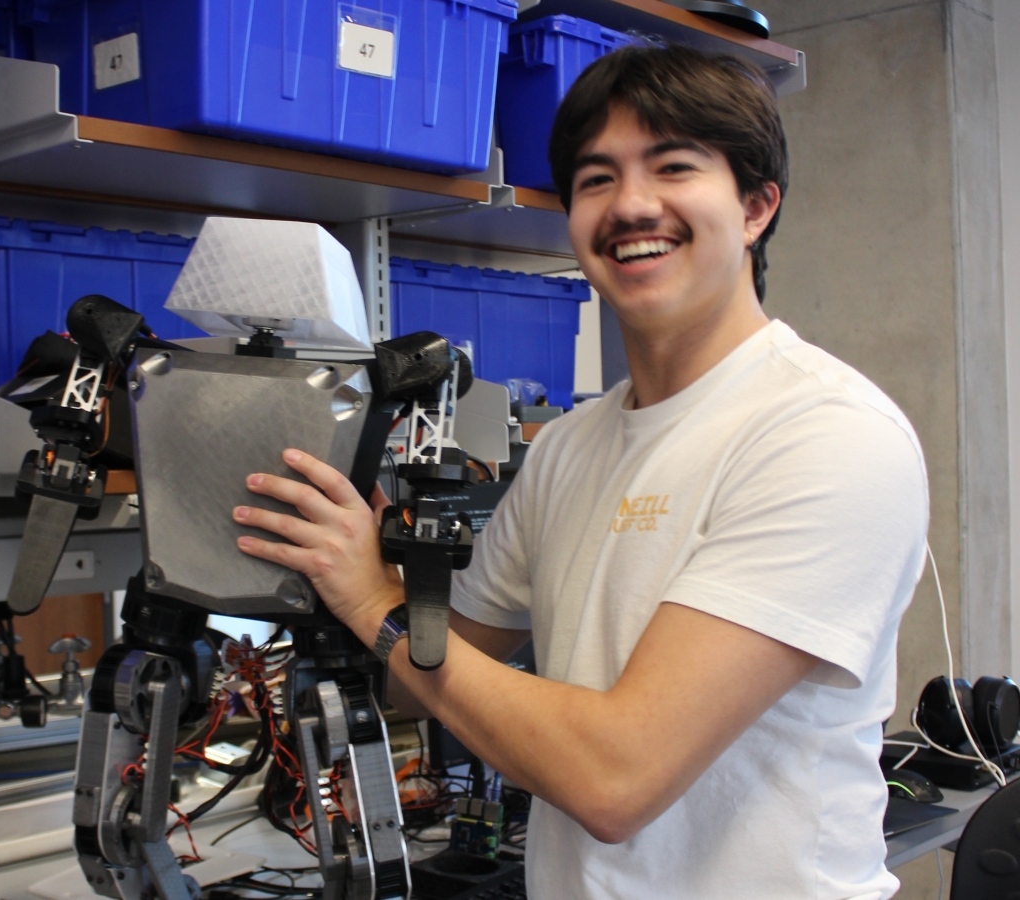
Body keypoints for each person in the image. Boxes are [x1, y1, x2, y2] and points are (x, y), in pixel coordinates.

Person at [232, 45, 929, 900]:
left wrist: (374, 604)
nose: (632, 205)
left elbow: (615, 779)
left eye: (673, 167)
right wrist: (365, 560)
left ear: (754, 207)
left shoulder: (825, 435)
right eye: (596, 179)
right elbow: (419, 675)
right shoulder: (570, 446)